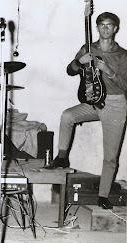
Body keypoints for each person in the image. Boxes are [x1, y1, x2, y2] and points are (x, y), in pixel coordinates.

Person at [52, 12, 127, 209]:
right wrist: (80, 62)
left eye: (109, 25)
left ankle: (103, 196)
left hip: (115, 104)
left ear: (116, 28)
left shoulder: (123, 55)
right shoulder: (87, 48)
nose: (105, 28)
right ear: (96, 27)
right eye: (102, 25)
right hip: (94, 101)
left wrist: (109, 71)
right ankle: (61, 157)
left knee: (110, 156)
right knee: (68, 115)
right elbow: (70, 70)